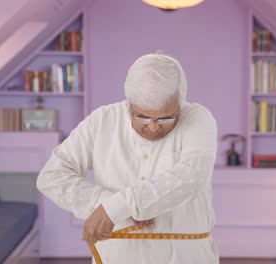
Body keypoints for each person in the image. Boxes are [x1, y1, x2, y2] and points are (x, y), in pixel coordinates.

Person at [37, 53, 219, 263]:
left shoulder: (197, 118)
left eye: (165, 118)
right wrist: (107, 204)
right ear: (129, 104)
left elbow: (191, 176)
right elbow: (51, 176)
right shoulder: (102, 120)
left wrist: (122, 206)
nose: (152, 127)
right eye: (142, 116)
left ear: (180, 103)